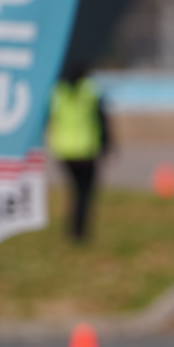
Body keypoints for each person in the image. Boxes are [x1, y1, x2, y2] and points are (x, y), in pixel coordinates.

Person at [47, 61, 110, 241]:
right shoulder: (91, 91)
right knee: (85, 191)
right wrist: (107, 145)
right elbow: (102, 119)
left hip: (64, 149)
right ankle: (80, 230)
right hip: (85, 149)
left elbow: (49, 118)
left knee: (73, 190)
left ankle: (72, 229)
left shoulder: (58, 92)